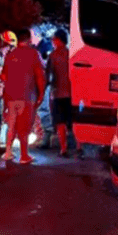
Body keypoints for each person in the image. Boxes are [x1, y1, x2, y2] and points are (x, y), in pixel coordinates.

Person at [1, 28, 45, 164]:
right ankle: (24, 155)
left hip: (11, 95)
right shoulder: (33, 54)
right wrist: (41, 94)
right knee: (24, 125)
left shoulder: (10, 54)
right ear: (29, 39)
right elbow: (40, 75)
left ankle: (8, 152)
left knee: (12, 124)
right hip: (27, 95)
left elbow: (4, 76)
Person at [46, 29, 82, 159]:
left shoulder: (53, 55)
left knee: (60, 122)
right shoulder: (72, 54)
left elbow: (48, 75)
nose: (52, 41)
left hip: (58, 94)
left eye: (53, 39)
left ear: (58, 40)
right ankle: (79, 148)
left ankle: (63, 149)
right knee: (74, 122)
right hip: (73, 93)